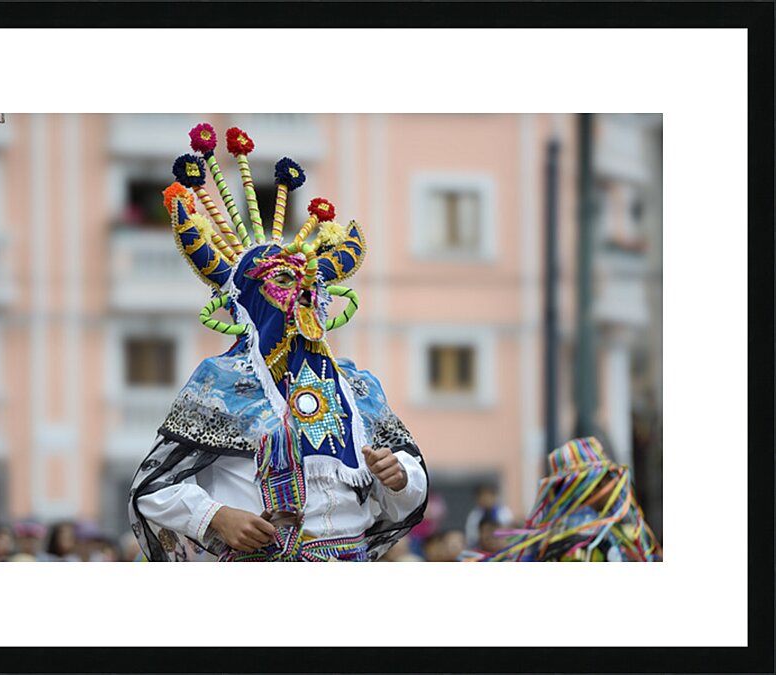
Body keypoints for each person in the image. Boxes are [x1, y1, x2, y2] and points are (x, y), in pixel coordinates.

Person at [128, 123, 428, 562]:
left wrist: (399, 476)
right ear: (250, 299)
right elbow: (154, 487)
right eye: (284, 282)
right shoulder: (222, 382)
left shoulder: (357, 388)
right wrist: (215, 516)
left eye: (311, 284)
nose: (302, 296)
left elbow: (400, 497)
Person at [466, 437, 662, 562]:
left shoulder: (619, 530)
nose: (610, 487)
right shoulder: (574, 541)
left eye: (609, 479)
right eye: (601, 482)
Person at [463, 483, 513, 548]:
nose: (486, 499)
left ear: (495, 497)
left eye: (489, 496)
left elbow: (509, 531)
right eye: (482, 496)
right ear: (477, 499)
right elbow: (471, 536)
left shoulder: (504, 512)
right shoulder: (474, 515)